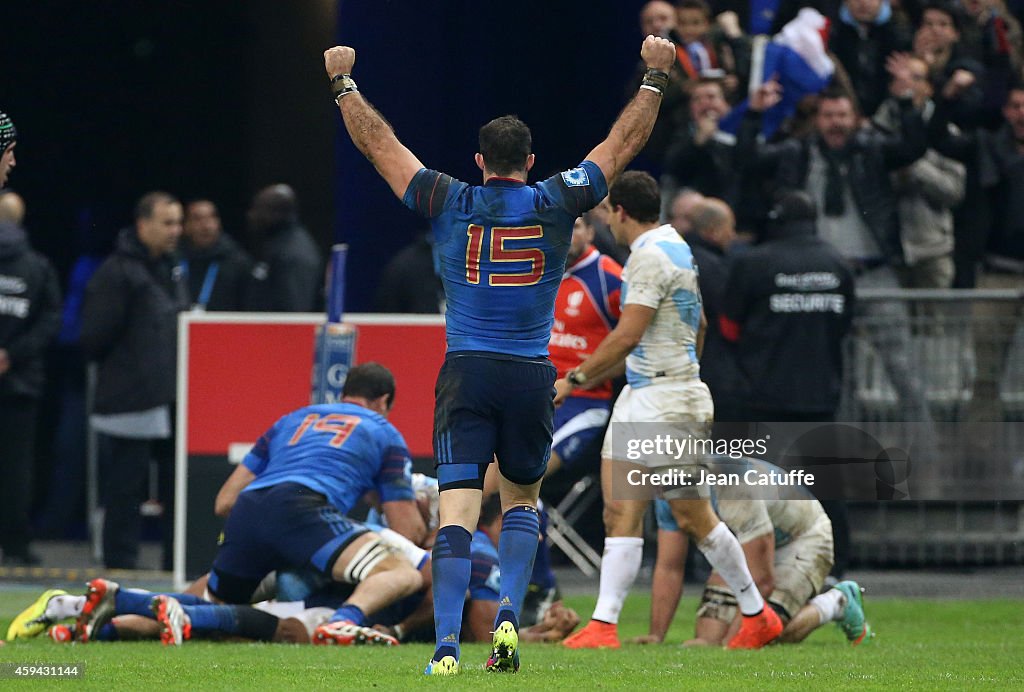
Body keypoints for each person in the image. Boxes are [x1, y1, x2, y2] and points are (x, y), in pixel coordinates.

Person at [324, 33, 676, 676]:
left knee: (457, 509)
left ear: (479, 161)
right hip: (529, 376)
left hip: (467, 373)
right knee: (521, 502)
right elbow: (621, 146)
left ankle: (448, 646)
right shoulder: (557, 200)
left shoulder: (450, 199)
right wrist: (654, 77)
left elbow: (381, 148)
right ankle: (511, 615)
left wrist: (344, 85)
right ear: (531, 160)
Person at [554, 171, 783, 651]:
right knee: (620, 508)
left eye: (605, 215)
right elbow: (696, 323)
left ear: (619, 211)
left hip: (666, 399)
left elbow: (627, 334)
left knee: (691, 513)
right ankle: (603, 625)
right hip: (647, 393)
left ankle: (757, 615)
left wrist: (574, 380)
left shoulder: (651, 257)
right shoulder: (671, 246)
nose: (605, 225)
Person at [634, 457, 872, 647]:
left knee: (765, 635)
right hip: (747, 543)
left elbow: (762, 578)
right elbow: (669, 567)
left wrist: (734, 643)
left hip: (803, 538)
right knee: (706, 639)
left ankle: (837, 602)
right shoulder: (669, 493)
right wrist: (656, 635)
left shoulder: (733, 487)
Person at [80, 191, 190, 570]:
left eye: (178, 222)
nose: (176, 230)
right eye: (167, 223)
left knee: (177, 484)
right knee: (126, 487)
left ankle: (175, 562)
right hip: (131, 396)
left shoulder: (173, 268)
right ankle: (119, 566)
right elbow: (93, 335)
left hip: (172, 396)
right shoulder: (117, 272)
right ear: (143, 225)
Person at [0, 185, 62, 566]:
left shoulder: (39, 266)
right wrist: (12, 354)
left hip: (19, 380)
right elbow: (50, 320)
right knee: (17, 468)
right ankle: (17, 546)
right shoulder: (38, 266)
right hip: (21, 381)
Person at [873, 54, 965, 289]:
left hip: (932, 249)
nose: (908, 84)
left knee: (934, 326)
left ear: (929, 87)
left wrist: (912, 163)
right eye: (900, 78)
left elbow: (954, 192)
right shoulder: (875, 132)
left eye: (915, 78)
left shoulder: (946, 133)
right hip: (884, 250)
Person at [548, 214, 623, 478]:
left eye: (575, 226)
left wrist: (580, 379)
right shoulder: (539, 271)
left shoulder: (611, 279)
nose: (567, 233)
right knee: (485, 479)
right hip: (534, 394)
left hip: (583, 402)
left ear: (591, 232)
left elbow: (632, 344)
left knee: (521, 474)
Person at [243, 184, 323, 312]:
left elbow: (295, 313)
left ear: (276, 213)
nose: (251, 215)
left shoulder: (294, 253)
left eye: (258, 209)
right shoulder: (274, 244)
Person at [829, 0, 913, 117]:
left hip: (887, 115)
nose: (863, 3)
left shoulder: (900, 35)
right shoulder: (832, 32)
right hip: (841, 112)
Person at [180, 199, 253, 311]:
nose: (206, 226)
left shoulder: (238, 263)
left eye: (211, 218)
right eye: (197, 219)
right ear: (185, 225)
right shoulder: (173, 260)